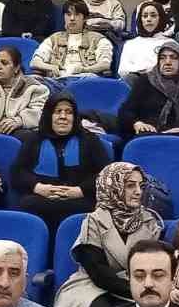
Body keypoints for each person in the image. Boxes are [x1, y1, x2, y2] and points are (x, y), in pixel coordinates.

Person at [52, 161, 165, 307]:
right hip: (91, 286)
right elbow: (98, 272)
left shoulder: (149, 221)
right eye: (130, 185)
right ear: (113, 188)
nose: (138, 191)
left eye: (140, 186)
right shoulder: (94, 221)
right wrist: (136, 291)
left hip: (141, 282)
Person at [11, 93, 110, 233]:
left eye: (68, 112)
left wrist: (80, 190)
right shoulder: (34, 140)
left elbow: (106, 173)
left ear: (75, 117)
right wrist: (38, 187)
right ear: (49, 115)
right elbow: (17, 172)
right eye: (58, 111)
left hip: (79, 201)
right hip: (42, 199)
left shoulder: (89, 140)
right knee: (27, 204)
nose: (63, 116)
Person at [118, 38, 179, 143]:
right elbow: (126, 110)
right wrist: (137, 123)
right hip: (150, 133)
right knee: (139, 137)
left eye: (173, 58)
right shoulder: (145, 81)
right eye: (162, 58)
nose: (167, 62)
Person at [31, 0, 113, 80]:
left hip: (85, 79)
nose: (72, 18)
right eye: (68, 14)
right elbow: (34, 62)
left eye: (77, 15)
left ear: (85, 18)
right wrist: (50, 67)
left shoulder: (98, 39)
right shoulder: (54, 39)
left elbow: (105, 64)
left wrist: (84, 70)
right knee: (31, 81)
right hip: (58, 80)